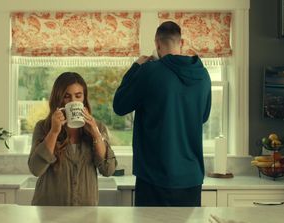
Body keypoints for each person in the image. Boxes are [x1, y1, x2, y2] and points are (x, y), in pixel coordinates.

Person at [113, 21, 211, 207]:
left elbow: (119, 105)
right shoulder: (203, 75)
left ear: (157, 44)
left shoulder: (149, 71)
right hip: (191, 179)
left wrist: (136, 67)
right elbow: (203, 117)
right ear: (181, 42)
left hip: (154, 178)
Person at [28, 72, 117, 206]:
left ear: (84, 99)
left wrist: (96, 134)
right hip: (50, 213)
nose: (73, 101)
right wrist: (53, 132)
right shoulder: (43, 127)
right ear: (58, 99)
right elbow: (35, 169)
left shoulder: (97, 127)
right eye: (67, 96)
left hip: (85, 215)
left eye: (78, 96)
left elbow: (108, 170)